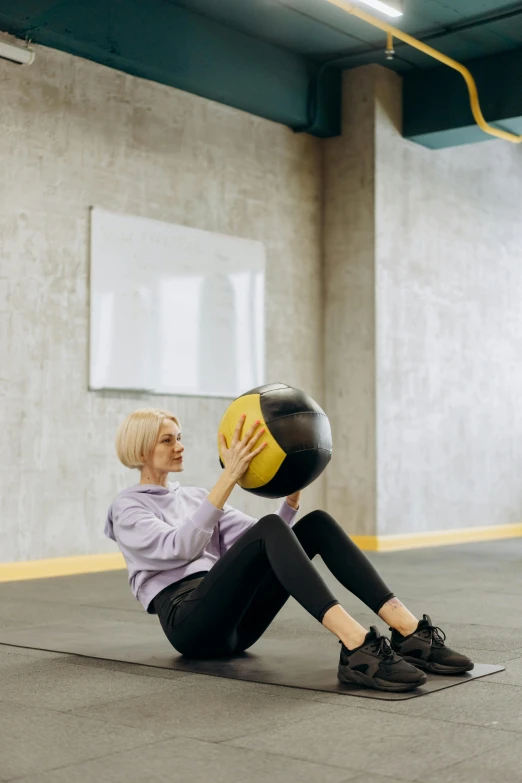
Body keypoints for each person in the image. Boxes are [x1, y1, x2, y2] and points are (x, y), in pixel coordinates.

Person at [105, 408, 474, 693]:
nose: (180, 446)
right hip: (191, 622)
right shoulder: (128, 508)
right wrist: (228, 477)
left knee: (316, 524)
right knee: (271, 528)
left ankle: (409, 633)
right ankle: (357, 645)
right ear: (141, 449)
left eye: (179, 438)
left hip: (238, 627)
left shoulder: (196, 497)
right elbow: (180, 547)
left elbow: (266, 537)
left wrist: (291, 497)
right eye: (168, 440)